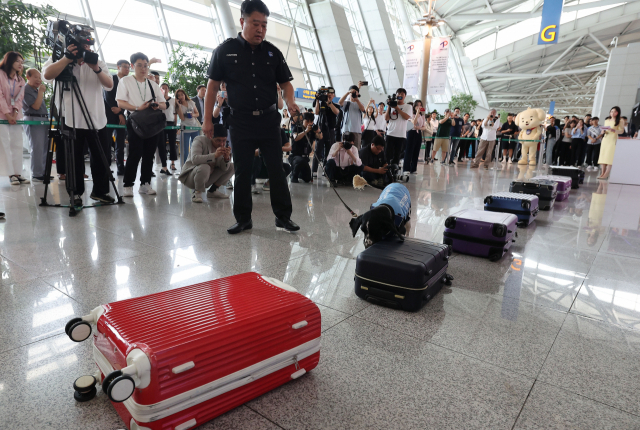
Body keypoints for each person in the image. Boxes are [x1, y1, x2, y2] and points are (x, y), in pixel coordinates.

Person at [203, 0, 300, 234]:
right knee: (244, 171)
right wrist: (207, 119)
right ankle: (243, 218)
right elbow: (212, 87)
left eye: (264, 25)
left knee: (276, 169)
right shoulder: (225, 51)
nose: (260, 29)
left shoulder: (272, 53)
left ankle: (283, 217)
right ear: (242, 21)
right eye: (255, 23)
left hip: (268, 121)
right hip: (240, 122)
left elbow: (286, 84)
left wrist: (290, 102)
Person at [43, 43, 114, 205]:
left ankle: (100, 192)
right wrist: (66, 59)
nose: (85, 50)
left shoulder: (97, 62)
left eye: (88, 47)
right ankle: (75, 193)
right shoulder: (60, 60)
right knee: (73, 160)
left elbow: (109, 85)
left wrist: (95, 67)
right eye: (82, 47)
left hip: (97, 119)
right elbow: (47, 75)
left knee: (102, 158)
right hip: (71, 118)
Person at [115, 52, 166, 197]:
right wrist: (138, 108)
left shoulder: (153, 84)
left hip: (152, 122)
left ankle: (145, 184)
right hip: (135, 121)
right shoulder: (126, 81)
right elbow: (120, 102)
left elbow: (164, 104)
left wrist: (157, 105)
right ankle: (128, 185)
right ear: (132, 66)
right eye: (139, 65)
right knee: (135, 153)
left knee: (149, 154)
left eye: (145, 65)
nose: (143, 69)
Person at [178, 123, 234, 202]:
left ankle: (212, 191)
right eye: (218, 140)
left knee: (232, 167)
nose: (221, 144)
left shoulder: (222, 146)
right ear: (211, 137)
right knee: (205, 167)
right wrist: (214, 155)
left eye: (224, 140)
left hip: (208, 177)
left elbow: (225, 169)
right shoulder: (199, 140)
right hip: (191, 176)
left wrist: (226, 159)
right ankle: (197, 193)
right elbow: (195, 159)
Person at [0, 52, 27, 185]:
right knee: (4, 144)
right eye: (18, 61)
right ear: (10, 61)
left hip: (16, 116)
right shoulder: (0, 74)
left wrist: (15, 113)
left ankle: (18, 173)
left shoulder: (21, 80)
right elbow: (0, 97)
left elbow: (19, 99)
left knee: (17, 143)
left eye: (22, 62)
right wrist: (8, 114)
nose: (21, 64)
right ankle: (10, 174)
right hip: (2, 116)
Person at [22, 68, 49, 182]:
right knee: (37, 147)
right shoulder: (26, 89)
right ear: (27, 77)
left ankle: (43, 171)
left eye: (40, 78)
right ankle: (37, 174)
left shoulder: (36, 90)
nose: (39, 80)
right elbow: (36, 107)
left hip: (43, 120)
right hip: (34, 119)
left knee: (44, 148)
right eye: (36, 77)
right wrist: (41, 92)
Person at [103, 59, 129, 175]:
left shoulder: (127, 82)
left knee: (120, 142)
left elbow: (128, 99)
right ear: (118, 67)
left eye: (129, 67)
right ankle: (107, 167)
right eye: (125, 67)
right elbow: (107, 96)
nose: (127, 69)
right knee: (107, 143)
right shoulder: (111, 79)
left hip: (121, 115)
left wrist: (121, 111)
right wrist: (118, 111)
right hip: (109, 115)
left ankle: (120, 167)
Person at [384, 88, 412, 165]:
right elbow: (386, 118)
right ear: (396, 96)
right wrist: (389, 106)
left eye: (402, 94)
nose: (400, 96)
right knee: (387, 155)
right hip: (390, 133)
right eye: (398, 94)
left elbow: (406, 117)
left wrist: (397, 108)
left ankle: (394, 172)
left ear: (405, 96)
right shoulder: (391, 105)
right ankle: (386, 172)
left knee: (397, 155)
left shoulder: (408, 106)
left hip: (401, 135)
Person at [290, 112, 318, 183]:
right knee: (299, 161)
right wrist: (305, 131)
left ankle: (299, 173)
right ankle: (293, 175)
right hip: (295, 156)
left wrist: (318, 131)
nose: (309, 123)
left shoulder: (311, 131)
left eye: (311, 121)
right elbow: (295, 137)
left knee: (307, 178)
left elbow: (320, 137)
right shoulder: (296, 128)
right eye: (307, 121)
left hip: (305, 158)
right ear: (303, 120)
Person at [598, 106, 624, 180]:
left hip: (613, 139)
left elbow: (621, 131)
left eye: (614, 112)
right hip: (605, 139)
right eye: (611, 111)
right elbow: (604, 128)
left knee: (610, 156)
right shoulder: (607, 120)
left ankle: (607, 173)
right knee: (603, 155)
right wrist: (603, 131)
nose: (612, 113)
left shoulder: (620, 120)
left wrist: (613, 130)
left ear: (617, 113)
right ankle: (602, 173)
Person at [175, 88, 200, 165]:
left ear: (185, 95)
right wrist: (179, 106)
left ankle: (194, 164)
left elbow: (197, 113)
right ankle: (185, 166)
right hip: (185, 129)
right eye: (178, 96)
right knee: (185, 150)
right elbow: (182, 118)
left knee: (195, 148)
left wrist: (193, 115)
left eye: (182, 94)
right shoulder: (177, 106)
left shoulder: (191, 102)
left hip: (194, 127)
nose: (181, 97)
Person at [339, 83, 365, 149]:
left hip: (357, 131)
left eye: (355, 92)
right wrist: (348, 92)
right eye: (352, 92)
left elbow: (363, 109)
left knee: (356, 150)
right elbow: (340, 102)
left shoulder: (360, 103)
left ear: (358, 94)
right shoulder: (347, 103)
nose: (353, 94)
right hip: (346, 130)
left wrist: (357, 100)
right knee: (345, 149)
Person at [403, 99, 426, 174]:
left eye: (420, 105)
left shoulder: (422, 116)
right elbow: (414, 122)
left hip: (418, 133)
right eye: (417, 105)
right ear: (414, 106)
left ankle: (413, 168)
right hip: (411, 132)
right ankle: (406, 169)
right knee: (409, 151)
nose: (419, 107)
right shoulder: (411, 114)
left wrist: (419, 128)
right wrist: (417, 113)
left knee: (416, 151)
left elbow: (424, 127)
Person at [159, 83, 177, 174]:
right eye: (163, 88)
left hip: (171, 123)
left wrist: (175, 124)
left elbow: (175, 113)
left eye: (166, 88)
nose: (165, 90)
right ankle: (164, 165)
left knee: (172, 144)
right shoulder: (158, 100)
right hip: (161, 124)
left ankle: (173, 163)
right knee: (162, 145)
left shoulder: (173, 100)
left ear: (168, 90)